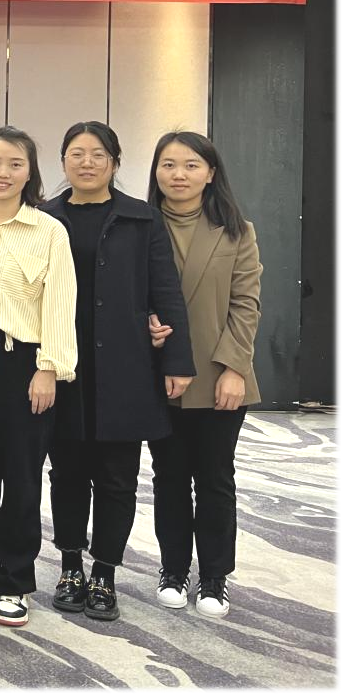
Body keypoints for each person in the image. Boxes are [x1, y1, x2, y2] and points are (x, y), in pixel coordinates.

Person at [39, 122, 194, 622]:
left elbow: (165, 291)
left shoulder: (142, 218)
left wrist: (176, 360)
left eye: (98, 154)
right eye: (76, 153)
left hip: (126, 366)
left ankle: (104, 573)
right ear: (63, 161)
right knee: (66, 474)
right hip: (62, 365)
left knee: (117, 478)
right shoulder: (44, 218)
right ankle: (70, 567)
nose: (87, 162)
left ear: (115, 162)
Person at [0, 126, 77, 628]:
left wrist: (49, 368)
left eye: (15, 164)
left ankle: (14, 577)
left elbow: (60, 302)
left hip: (27, 362)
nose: (3, 173)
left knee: (22, 474)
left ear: (30, 173)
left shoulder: (49, 231)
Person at [146, 131, 262, 619]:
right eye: (169, 164)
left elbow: (246, 305)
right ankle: (173, 569)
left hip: (219, 376)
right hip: (159, 375)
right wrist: (144, 324)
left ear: (210, 173)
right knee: (169, 476)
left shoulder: (236, 231)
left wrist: (235, 368)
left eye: (191, 165)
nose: (179, 175)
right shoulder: (139, 225)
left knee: (215, 478)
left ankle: (215, 576)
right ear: (156, 171)